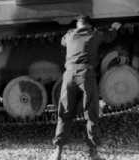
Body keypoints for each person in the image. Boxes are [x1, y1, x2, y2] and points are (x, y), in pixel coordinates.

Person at [51, 15, 121, 160]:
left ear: (78, 24)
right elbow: (109, 37)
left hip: (69, 76)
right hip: (86, 75)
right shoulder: (94, 34)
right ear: (89, 25)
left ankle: (58, 151)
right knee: (91, 113)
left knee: (64, 112)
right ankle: (93, 152)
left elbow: (62, 41)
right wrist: (114, 28)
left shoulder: (69, 35)